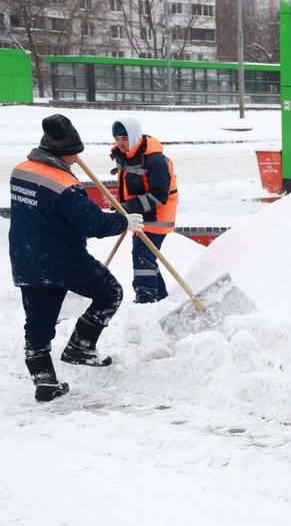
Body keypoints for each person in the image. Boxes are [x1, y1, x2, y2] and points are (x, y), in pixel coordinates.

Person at [9, 114, 143, 402]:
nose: (75, 160)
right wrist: (123, 222)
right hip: (63, 260)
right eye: (74, 155)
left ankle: (44, 382)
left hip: (26, 259)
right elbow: (92, 224)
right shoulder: (64, 184)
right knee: (110, 293)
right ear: (63, 152)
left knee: (38, 322)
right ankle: (80, 347)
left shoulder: (20, 170)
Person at [110, 116, 178, 303]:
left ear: (133, 136)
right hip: (139, 215)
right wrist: (121, 207)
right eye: (117, 139)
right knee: (147, 256)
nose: (121, 143)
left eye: (124, 138)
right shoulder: (126, 155)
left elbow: (159, 195)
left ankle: (146, 299)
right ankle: (161, 297)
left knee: (141, 255)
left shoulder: (155, 160)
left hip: (157, 215)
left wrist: (128, 207)